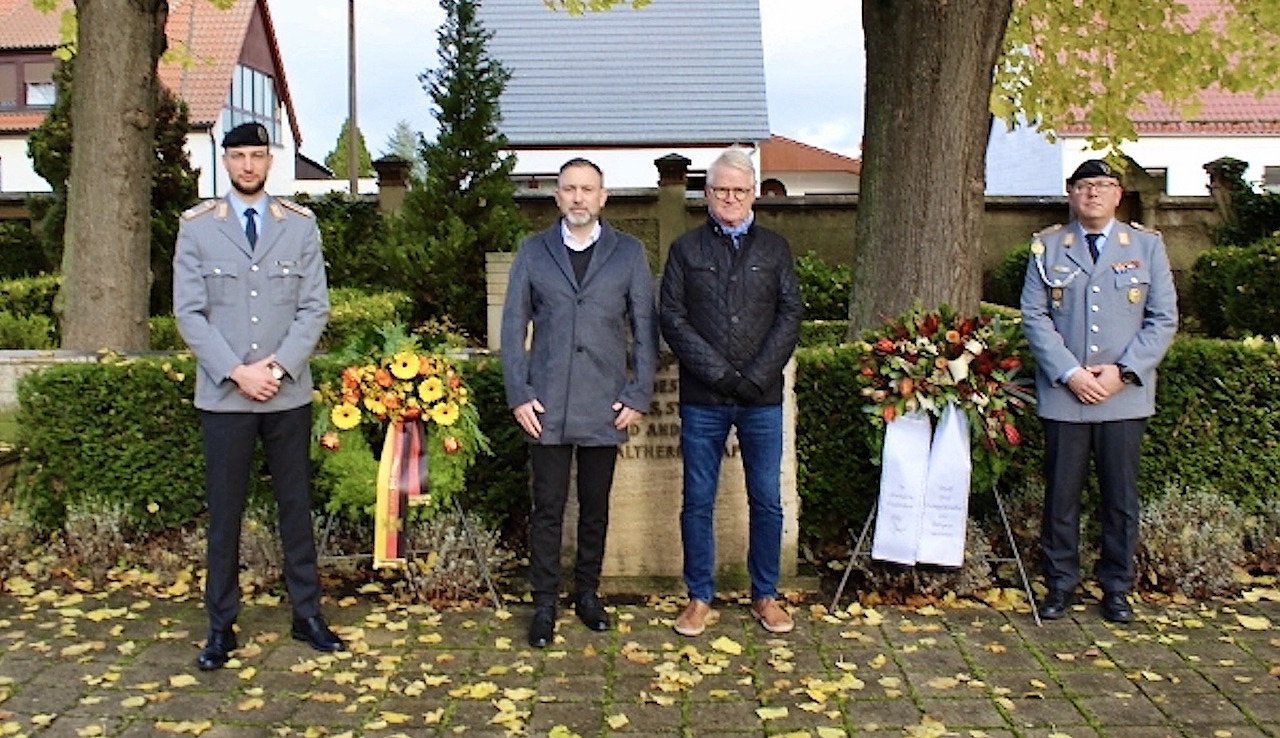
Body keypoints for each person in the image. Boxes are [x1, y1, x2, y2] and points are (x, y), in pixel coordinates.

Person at [174, 122, 344, 671]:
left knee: (295, 507)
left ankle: (307, 615)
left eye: (257, 155)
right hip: (225, 398)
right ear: (225, 161)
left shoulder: (299, 225)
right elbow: (188, 313)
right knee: (225, 514)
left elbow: (314, 307)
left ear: (271, 161)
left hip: (286, 393)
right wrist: (236, 372)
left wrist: (275, 367)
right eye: (238, 156)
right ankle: (220, 626)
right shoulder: (198, 228)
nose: (248, 165)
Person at [501, 157, 659, 648]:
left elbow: (645, 329)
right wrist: (519, 394)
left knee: (595, 507)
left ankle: (587, 594)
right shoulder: (533, 251)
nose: (578, 198)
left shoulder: (629, 253)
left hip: (604, 403)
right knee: (547, 508)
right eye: (569, 189)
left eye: (587, 189)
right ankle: (544, 604)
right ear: (557, 197)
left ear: (602, 197)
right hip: (545, 406)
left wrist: (638, 393)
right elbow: (512, 327)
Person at [1020, 158, 1177, 624]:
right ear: (1071, 193)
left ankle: (1117, 588)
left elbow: (1163, 318)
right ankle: (1060, 584)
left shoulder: (1146, 247)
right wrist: (1070, 373)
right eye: (1085, 185)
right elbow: (1034, 316)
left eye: (1104, 185)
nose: (1094, 193)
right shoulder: (1048, 246)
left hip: (1122, 396)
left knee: (1120, 500)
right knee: (1061, 499)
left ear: (1118, 195)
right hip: (1065, 395)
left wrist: (1122, 373)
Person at [659, 147, 803, 637]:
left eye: (739, 190)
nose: (730, 198)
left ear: (753, 194)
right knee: (698, 499)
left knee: (766, 499)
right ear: (706, 193)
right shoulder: (686, 250)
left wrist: (758, 374)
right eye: (721, 189)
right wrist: (720, 374)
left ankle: (765, 595)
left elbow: (790, 313)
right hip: (704, 398)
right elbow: (672, 318)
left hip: (761, 398)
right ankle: (699, 597)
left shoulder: (775, 249)